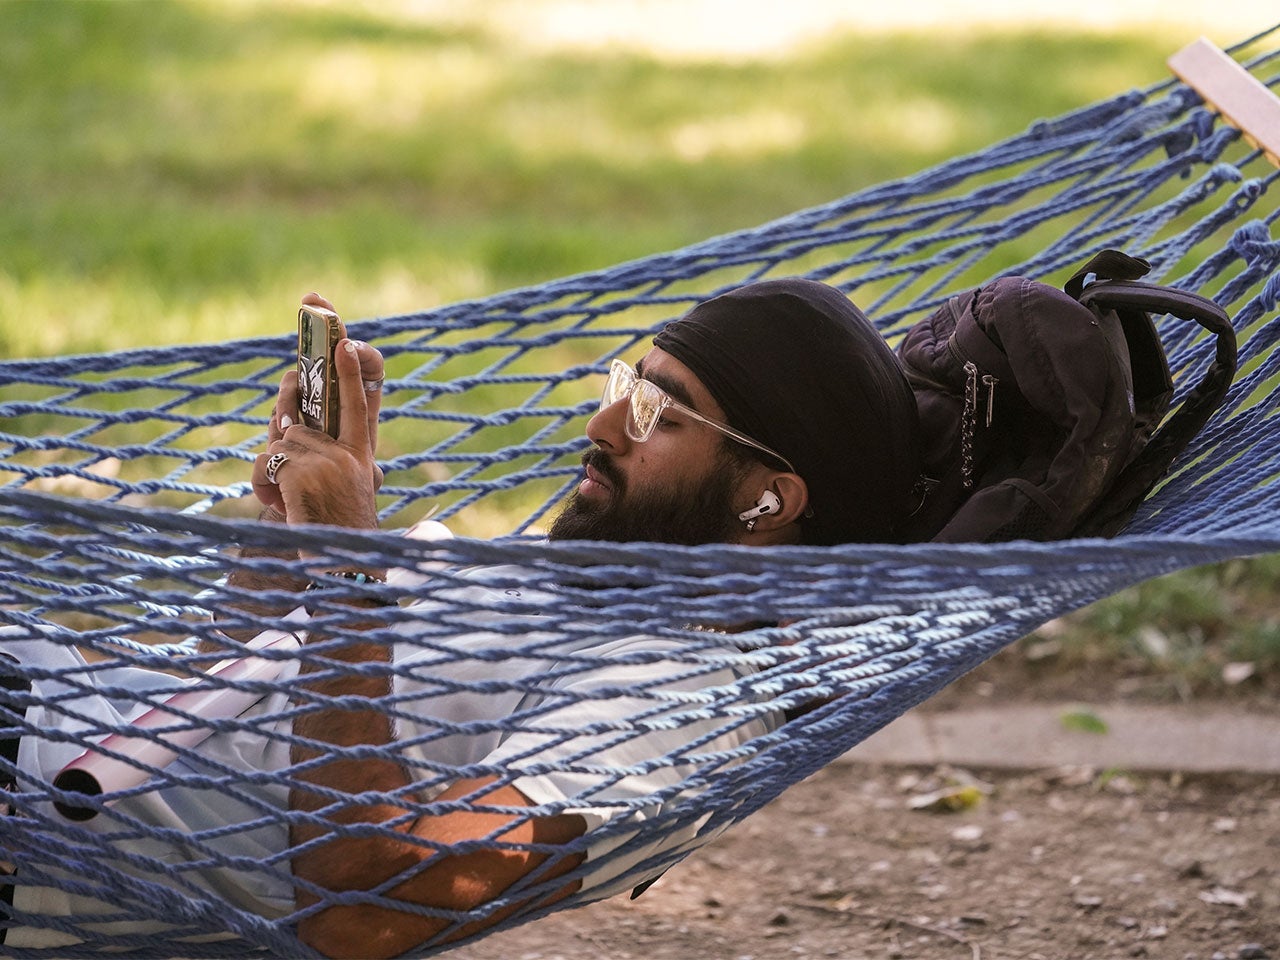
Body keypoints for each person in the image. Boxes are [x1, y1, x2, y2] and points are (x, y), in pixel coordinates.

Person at [2, 280, 921, 958]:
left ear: (769, 499)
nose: (602, 424)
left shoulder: (681, 704)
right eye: (623, 384)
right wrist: (291, 540)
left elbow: (366, 908)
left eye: (657, 411)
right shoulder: (594, 581)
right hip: (54, 731)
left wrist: (350, 561)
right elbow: (215, 714)